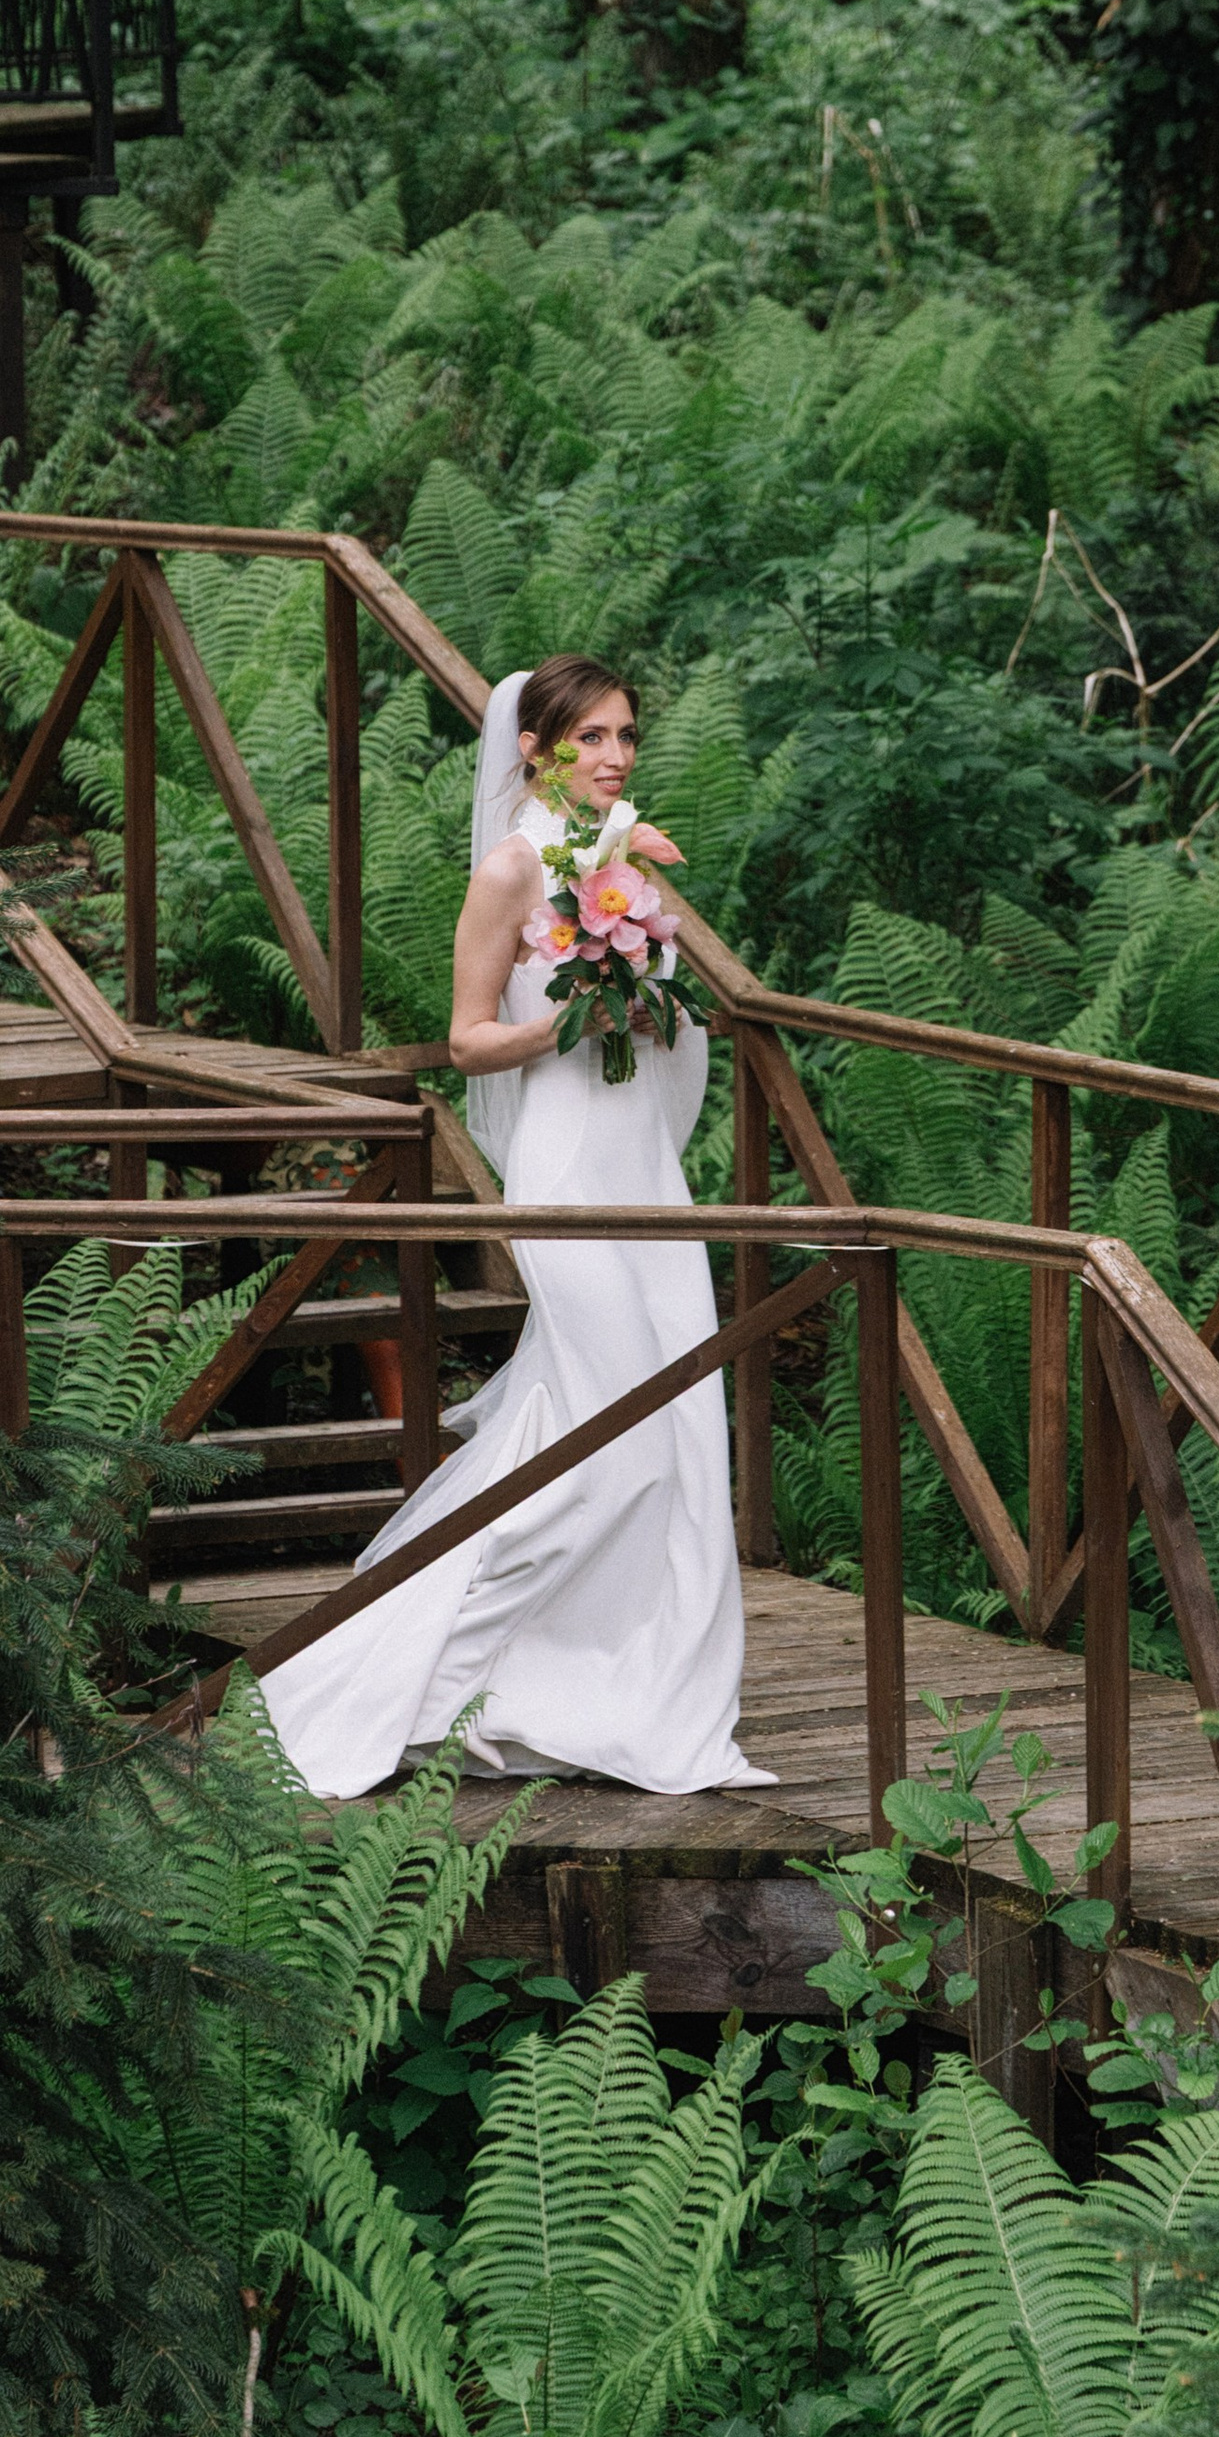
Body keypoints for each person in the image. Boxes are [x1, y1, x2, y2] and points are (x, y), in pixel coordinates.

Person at [257, 654, 773, 1801]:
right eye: (591, 737)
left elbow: (668, 1012)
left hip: (643, 1168)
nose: (615, 757)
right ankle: (424, 1682)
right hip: (564, 1171)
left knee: (679, 1424)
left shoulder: (627, 856)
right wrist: (572, 1016)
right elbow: (465, 1038)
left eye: (626, 736)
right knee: (614, 1434)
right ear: (537, 748)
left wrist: (641, 983)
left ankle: (624, 1687)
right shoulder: (510, 868)